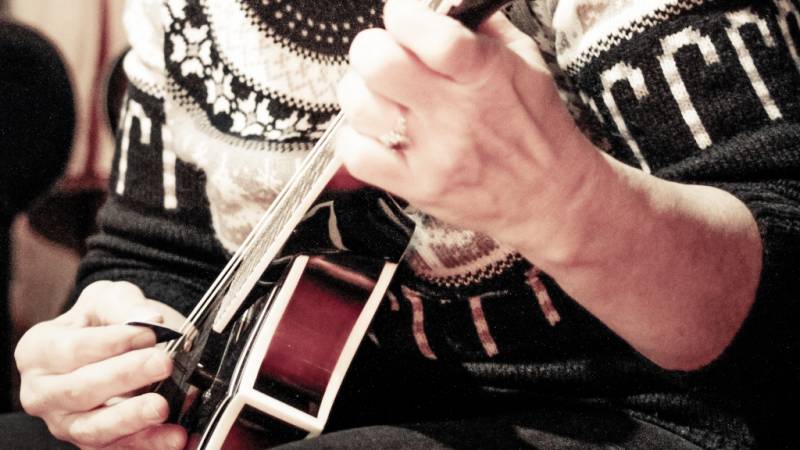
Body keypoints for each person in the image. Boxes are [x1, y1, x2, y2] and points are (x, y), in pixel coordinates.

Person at [8, 0, 800, 448]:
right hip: (300, 412)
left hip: (650, 415)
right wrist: (109, 355)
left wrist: (566, 204)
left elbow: (780, 319)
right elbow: (153, 247)